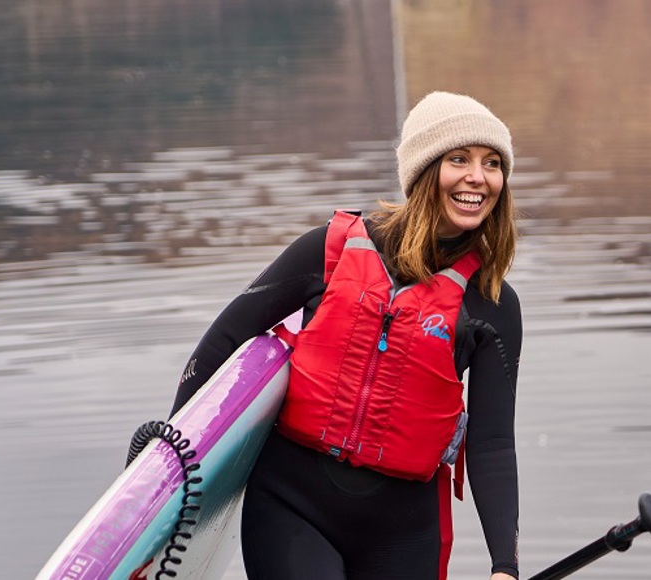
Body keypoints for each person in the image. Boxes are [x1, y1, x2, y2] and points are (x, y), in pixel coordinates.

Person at [170, 91, 522, 580]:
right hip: (292, 510)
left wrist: (504, 565)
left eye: (492, 164)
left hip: (404, 534)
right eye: (458, 159)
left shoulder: (491, 304)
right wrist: (170, 464)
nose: (477, 178)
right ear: (423, 172)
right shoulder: (330, 250)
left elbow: (492, 444)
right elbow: (225, 338)